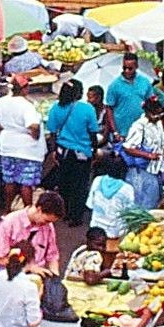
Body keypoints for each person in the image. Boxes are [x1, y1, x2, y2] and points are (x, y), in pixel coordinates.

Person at [0, 75, 47, 208]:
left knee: (10, 181)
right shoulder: (26, 106)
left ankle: (7, 210)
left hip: (8, 146)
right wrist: (35, 136)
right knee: (26, 183)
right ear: (24, 89)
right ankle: (27, 212)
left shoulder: (2, 101)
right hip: (26, 149)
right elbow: (34, 126)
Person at [45, 79, 100, 225]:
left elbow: (52, 132)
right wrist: (94, 150)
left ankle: (64, 212)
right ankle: (76, 217)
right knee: (80, 185)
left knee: (64, 183)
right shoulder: (87, 109)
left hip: (63, 151)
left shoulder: (56, 108)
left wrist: (53, 151)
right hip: (82, 153)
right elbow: (93, 132)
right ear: (78, 93)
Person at [0, 191, 64, 274]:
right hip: (13, 275)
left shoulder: (48, 226)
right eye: (46, 221)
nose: (47, 224)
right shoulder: (10, 222)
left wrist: (54, 274)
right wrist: (29, 267)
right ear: (39, 209)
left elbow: (52, 256)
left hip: (37, 276)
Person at [121, 96, 164, 209]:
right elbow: (128, 148)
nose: (158, 117)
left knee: (157, 197)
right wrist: (148, 155)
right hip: (143, 170)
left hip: (157, 167)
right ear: (147, 112)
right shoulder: (138, 126)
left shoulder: (158, 123)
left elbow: (159, 142)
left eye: (160, 114)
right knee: (146, 202)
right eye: (155, 114)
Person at [86, 158, 136, 241]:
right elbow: (129, 213)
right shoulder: (127, 188)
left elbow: (90, 204)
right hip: (116, 232)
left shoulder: (97, 180)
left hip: (96, 229)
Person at [105, 53, 151, 142]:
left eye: (130, 68)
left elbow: (150, 102)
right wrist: (115, 132)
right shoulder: (114, 85)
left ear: (136, 66)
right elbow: (109, 109)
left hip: (142, 129)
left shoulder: (145, 82)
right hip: (122, 132)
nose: (126, 71)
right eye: (124, 68)